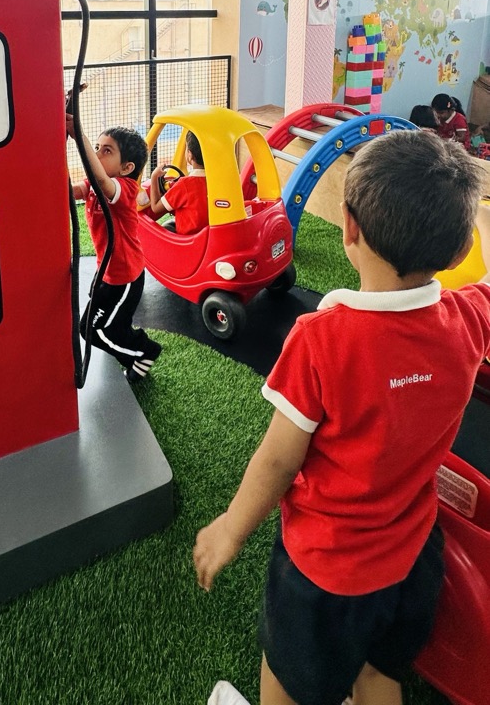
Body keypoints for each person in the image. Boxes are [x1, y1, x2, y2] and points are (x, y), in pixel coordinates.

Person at [194, 129, 490, 705]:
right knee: (380, 674)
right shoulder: (468, 318)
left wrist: (231, 527)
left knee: (288, 678)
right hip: (413, 554)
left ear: (348, 229)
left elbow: (279, 458)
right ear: (459, 252)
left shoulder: (321, 340)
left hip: (324, 574)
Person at [66, 120, 161, 383]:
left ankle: (144, 351)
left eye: (106, 151)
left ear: (127, 168)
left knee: (93, 331)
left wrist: (79, 136)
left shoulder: (124, 189)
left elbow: (100, 179)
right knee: (105, 322)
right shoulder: (95, 185)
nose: (97, 154)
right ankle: (125, 339)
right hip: (105, 270)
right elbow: (76, 191)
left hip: (124, 277)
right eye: (96, 147)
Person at [147, 131, 209, 234]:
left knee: (166, 226)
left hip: (186, 239)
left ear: (190, 155)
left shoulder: (184, 185)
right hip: (207, 235)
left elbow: (155, 208)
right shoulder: (217, 181)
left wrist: (154, 177)